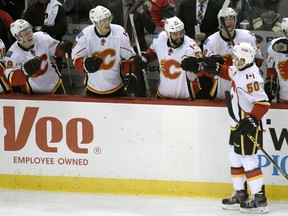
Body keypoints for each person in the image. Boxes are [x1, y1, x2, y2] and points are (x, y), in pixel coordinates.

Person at [182, 42, 270, 213]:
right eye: (235, 57)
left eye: (238, 58)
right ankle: (240, 193)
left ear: (247, 58)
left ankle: (259, 199)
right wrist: (200, 68)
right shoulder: (240, 67)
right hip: (237, 123)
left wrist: (251, 121)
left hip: (248, 124)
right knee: (234, 157)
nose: (234, 60)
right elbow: (225, 71)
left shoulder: (252, 78)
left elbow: (263, 103)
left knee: (248, 159)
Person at [71, 5, 138, 97]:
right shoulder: (84, 36)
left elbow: (129, 58)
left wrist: (130, 75)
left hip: (117, 86)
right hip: (92, 87)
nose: (108, 23)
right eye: (103, 21)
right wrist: (85, 64)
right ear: (95, 22)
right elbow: (75, 59)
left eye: (109, 19)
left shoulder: (119, 32)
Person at [202, 7, 263, 100]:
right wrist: (213, 65)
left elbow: (259, 60)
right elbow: (207, 71)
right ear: (219, 22)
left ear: (235, 20)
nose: (228, 22)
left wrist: (248, 61)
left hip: (245, 88)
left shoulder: (248, 36)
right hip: (221, 91)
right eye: (225, 19)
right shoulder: (210, 42)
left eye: (231, 18)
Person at [135, 16, 202, 99]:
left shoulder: (191, 47)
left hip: (186, 96)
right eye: (175, 34)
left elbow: (201, 70)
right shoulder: (160, 39)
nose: (179, 36)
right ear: (167, 33)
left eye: (181, 32)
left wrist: (196, 67)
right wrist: (146, 57)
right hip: (163, 94)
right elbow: (153, 51)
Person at [108, 0, 156, 97]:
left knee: (139, 87)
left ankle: (141, 107)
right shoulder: (112, 7)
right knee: (119, 83)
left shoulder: (142, 6)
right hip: (117, 51)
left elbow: (151, 28)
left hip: (136, 50)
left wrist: (142, 13)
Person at [4, 19, 66, 94]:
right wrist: (24, 72)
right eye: (26, 34)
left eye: (30, 31)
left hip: (54, 85)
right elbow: (12, 80)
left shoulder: (43, 37)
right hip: (33, 92)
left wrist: (63, 49)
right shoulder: (13, 55)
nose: (30, 35)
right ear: (18, 38)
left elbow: (56, 53)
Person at [177, 0, 221, 99]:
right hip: (188, 49)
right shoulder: (185, 4)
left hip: (208, 50)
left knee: (205, 78)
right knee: (189, 75)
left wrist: (206, 35)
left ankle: (206, 100)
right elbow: (179, 26)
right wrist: (189, 39)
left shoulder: (217, 7)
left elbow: (220, 30)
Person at [23, 0, 67, 73]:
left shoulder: (58, 7)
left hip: (54, 48)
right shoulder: (31, 10)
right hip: (36, 49)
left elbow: (62, 29)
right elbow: (27, 32)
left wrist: (43, 28)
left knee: (55, 74)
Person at [265, 17, 288, 102]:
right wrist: (271, 82)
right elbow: (271, 68)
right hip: (284, 97)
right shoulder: (275, 45)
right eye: (286, 31)